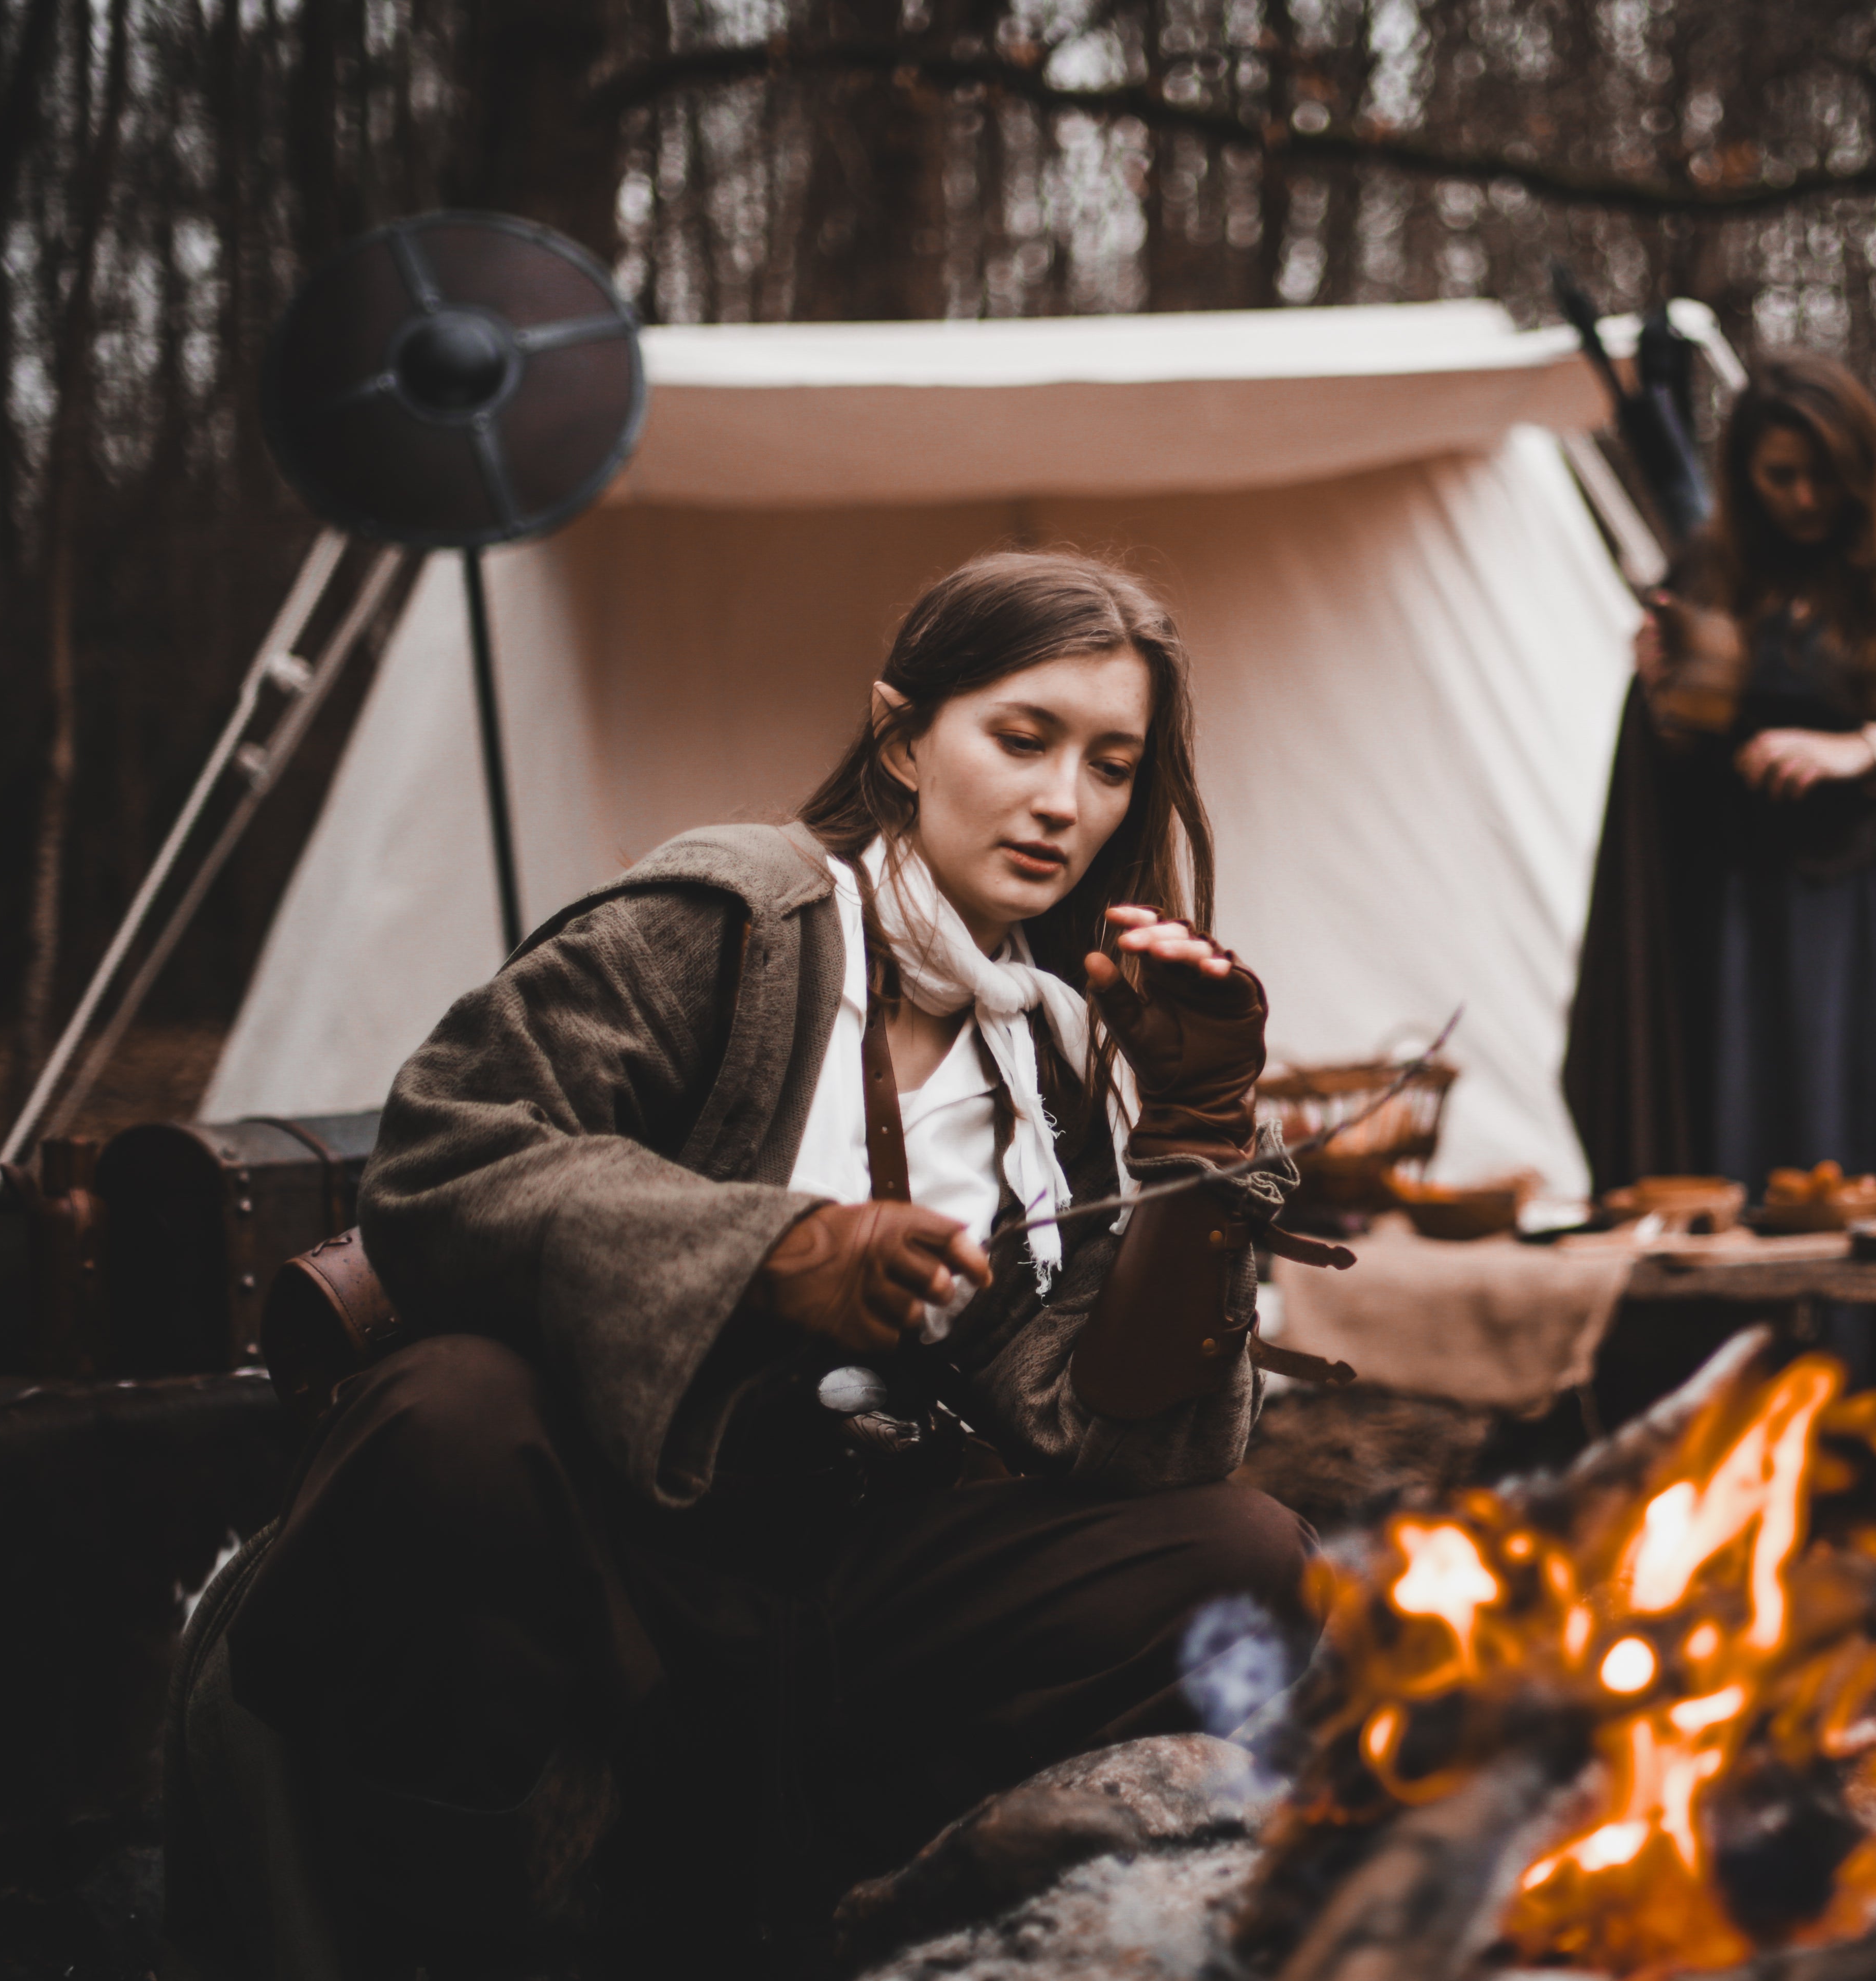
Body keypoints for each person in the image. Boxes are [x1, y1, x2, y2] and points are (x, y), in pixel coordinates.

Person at [167, 551, 1323, 1978]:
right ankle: (460, 1933)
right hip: (607, 1541)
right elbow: (444, 1157)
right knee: (452, 1413)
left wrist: (1199, 1147)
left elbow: (1117, 1441)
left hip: (843, 1569)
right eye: (1022, 739)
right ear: (903, 738)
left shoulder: (1055, 1042)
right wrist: (779, 1253)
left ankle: (856, 1910)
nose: (1064, 802)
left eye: (1110, 764)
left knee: (1238, 1555)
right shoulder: (732, 923)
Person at [1563, 352, 1876, 1468]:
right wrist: (1662, 684)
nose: (1803, 500)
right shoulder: (1717, 567)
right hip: (1748, 921)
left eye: (1822, 477)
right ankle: (1775, 1434)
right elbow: (1690, 743)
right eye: (1779, 477)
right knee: (1760, 1153)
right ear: (1745, 473)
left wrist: (1856, 751)